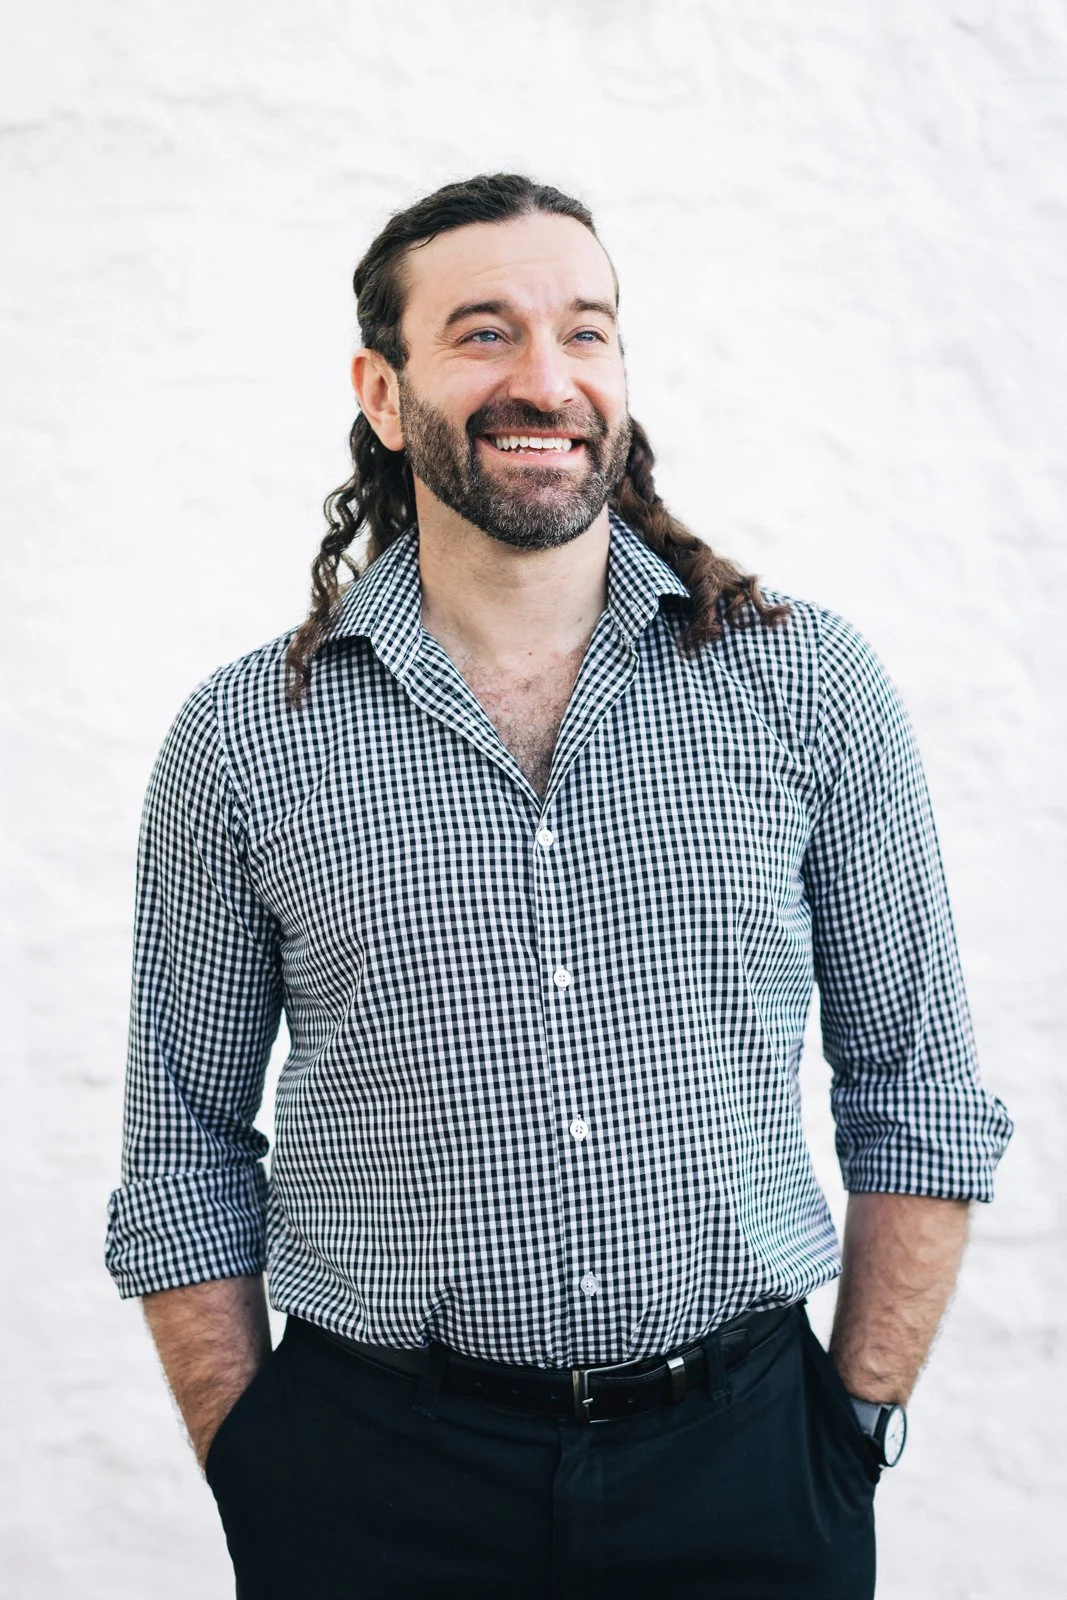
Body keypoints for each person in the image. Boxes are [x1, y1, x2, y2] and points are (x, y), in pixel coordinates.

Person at [106, 172, 1012, 1600]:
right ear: (382, 388)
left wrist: (847, 1428)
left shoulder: (803, 687)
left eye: (584, 332)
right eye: (482, 333)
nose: (547, 378)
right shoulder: (241, 742)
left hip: (745, 1466)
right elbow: (183, 1153)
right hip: (372, 1487)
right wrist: (257, 1468)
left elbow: (916, 1093)